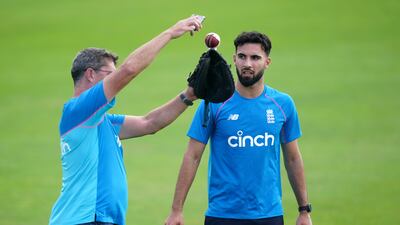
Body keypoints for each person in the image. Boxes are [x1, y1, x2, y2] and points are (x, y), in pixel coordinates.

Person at [49, 15, 203, 225]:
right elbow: (129, 70)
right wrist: (170, 33)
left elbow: (150, 123)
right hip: (84, 220)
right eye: (110, 74)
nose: (114, 79)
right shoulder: (77, 110)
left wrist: (188, 95)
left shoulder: (102, 122)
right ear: (90, 74)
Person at [165, 31, 313, 225]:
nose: (247, 64)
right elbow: (192, 156)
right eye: (242, 57)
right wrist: (177, 210)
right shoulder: (214, 102)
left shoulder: (283, 104)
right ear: (234, 59)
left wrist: (304, 211)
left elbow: (293, 159)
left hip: (269, 215)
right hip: (222, 215)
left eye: (255, 58)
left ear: (267, 62)